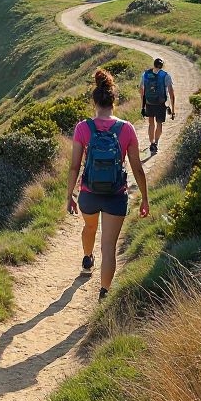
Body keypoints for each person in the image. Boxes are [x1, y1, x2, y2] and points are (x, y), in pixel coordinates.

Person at [67, 67, 149, 299]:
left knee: (89, 227)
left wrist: (69, 196)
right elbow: (137, 168)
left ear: (95, 102)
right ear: (114, 101)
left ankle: (86, 257)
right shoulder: (127, 129)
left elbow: (74, 167)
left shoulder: (83, 128)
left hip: (89, 193)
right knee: (109, 247)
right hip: (115, 195)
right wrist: (144, 198)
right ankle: (104, 293)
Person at [140, 56, 175, 155]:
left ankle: (151, 143)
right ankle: (156, 142)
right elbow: (172, 94)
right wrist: (173, 110)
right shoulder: (166, 76)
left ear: (154, 65)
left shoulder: (146, 74)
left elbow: (141, 91)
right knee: (159, 124)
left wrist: (142, 106)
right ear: (162, 66)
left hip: (149, 103)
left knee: (151, 123)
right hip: (160, 104)